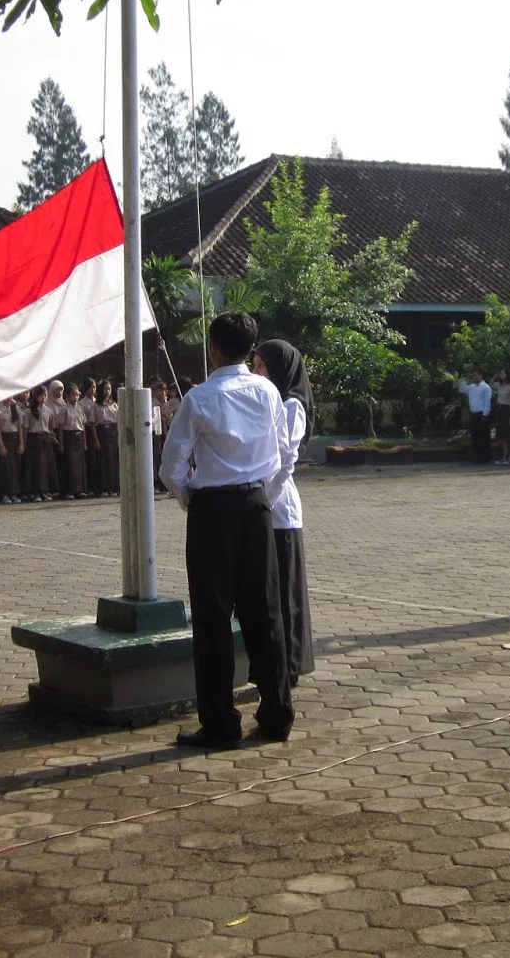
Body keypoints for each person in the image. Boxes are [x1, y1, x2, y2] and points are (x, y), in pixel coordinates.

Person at [158, 312, 294, 748]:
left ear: (213, 347)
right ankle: (277, 715)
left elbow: (170, 468)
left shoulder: (199, 398)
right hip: (256, 505)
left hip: (213, 512)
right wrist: (263, 498)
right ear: (250, 351)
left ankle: (220, 723)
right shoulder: (268, 391)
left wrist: (192, 499)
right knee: (264, 612)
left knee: (213, 619)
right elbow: (281, 456)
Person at [255, 339, 316, 687]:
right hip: (268, 504)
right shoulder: (274, 400)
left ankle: (289, 664)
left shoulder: (292, 405)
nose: (256, 372)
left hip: (279, 509)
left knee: (286, 592)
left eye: (262, 365)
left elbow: (285, 460)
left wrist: (265, 499)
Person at [22, 384, 59, 501]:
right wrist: (23, 444)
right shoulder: (29, 411)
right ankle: (36, 492)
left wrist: (55, 440)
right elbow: (25, 429)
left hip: (46, 439)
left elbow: (51, 428)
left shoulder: (49, 411)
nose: (43, 397)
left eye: (45, 395)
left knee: (46, 466)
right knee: (36, 467)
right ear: (36, 396)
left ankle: (45, 491)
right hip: (34, 439)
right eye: (41, 395)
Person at [0, 397, 23, 504]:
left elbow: (20, 427)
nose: (9, 398)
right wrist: (1, 445)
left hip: (14, 438)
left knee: (15, 468)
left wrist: (21, 443)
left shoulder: (15, 408)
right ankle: (5, 494)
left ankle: (15, 493)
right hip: (4, 439)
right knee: (5, 468)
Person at [58, 384, 89, 499]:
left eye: (77, 395)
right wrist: (61, 443)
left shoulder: (80, 409)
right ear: (68, 396)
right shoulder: (64, 409)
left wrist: (85, 442)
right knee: (70, 464)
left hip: (79, 436)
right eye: (73, 395)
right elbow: (60, 427)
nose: (75, 397)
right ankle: (70, 490)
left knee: (80, 464)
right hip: (69, 436)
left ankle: (80, 490)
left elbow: (83, 426)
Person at [458, 370, 494, 463]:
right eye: (473, 375)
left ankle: (486, 457)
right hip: (473, 414)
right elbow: (461, 389)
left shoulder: (486, 387)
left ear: (481, 376)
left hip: (482, 413)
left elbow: (487, 402)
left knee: (484, 436)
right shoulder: (471, 387)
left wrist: (485, 415)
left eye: (475, 375)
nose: (474, 377)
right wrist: (466, 379)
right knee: (475, 436)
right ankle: (477, 456)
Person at [98, 381, 121, 495]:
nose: (107, 392)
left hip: (113, 432)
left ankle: (113, 487)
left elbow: (117, 422)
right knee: (104, 461)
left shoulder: (114, 405)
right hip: (102, 431)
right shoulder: (96, 405)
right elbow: (92, 424)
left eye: (109, 389)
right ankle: (104, 488)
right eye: (105, 389)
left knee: (113, 460)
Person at [492, 372, 510, 466]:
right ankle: (505, 455)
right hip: (500, 409)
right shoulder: (498, 384)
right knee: (503, 436)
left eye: (503, 374)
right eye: (500, 374)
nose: (501, 376)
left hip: (508, 409)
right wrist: (495, 376)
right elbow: (491, 384)